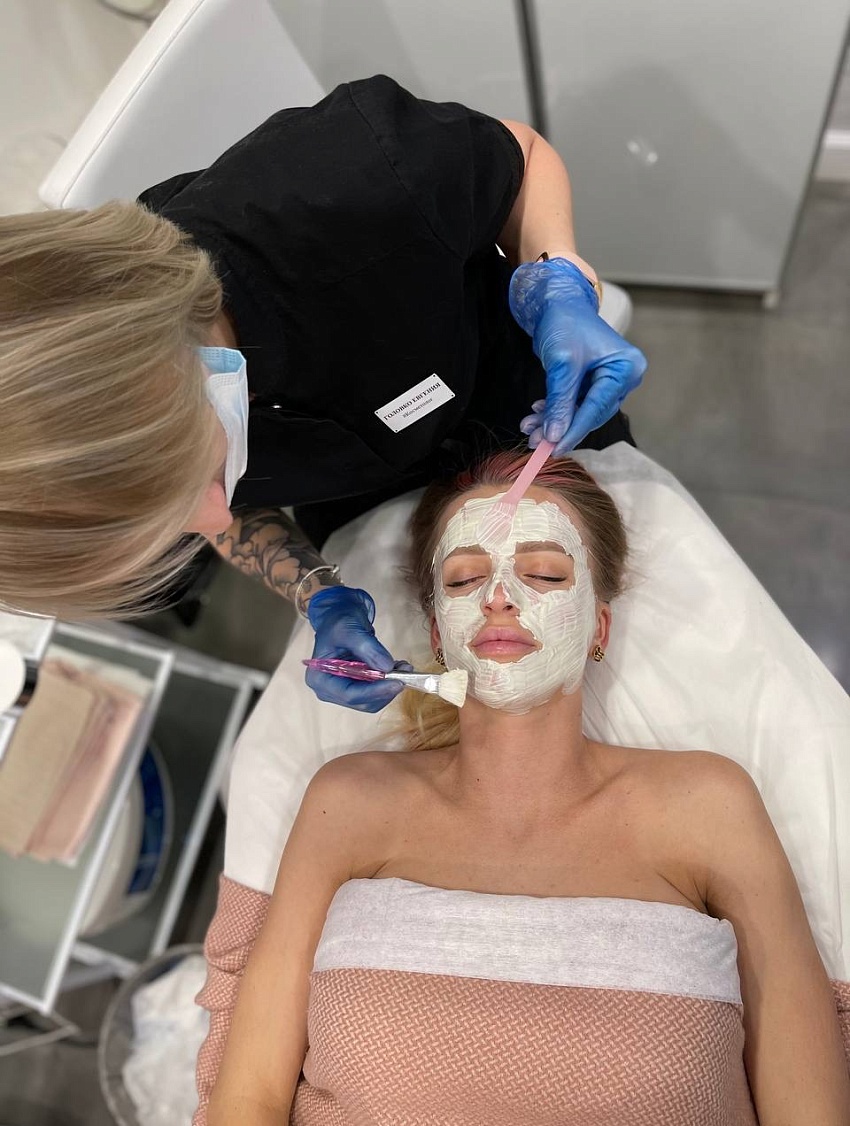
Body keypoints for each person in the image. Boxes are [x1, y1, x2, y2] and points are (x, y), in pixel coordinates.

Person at [203, 450, 849, 1126]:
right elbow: (249, 1100)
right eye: (464, 578)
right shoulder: (350, 801)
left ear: (599, 627)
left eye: (544, 573)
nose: (499, 595)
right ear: (436, 635)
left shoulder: (708, 806)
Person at [0, 76, 645, 712]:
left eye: (196, 479)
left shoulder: (352, 184)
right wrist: (318, 595)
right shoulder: (131, 462)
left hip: (529, 406)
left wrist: (558, 280)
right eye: (176, 518)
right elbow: (228, 513)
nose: (217, 520)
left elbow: (521, 158)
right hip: (353, 502)